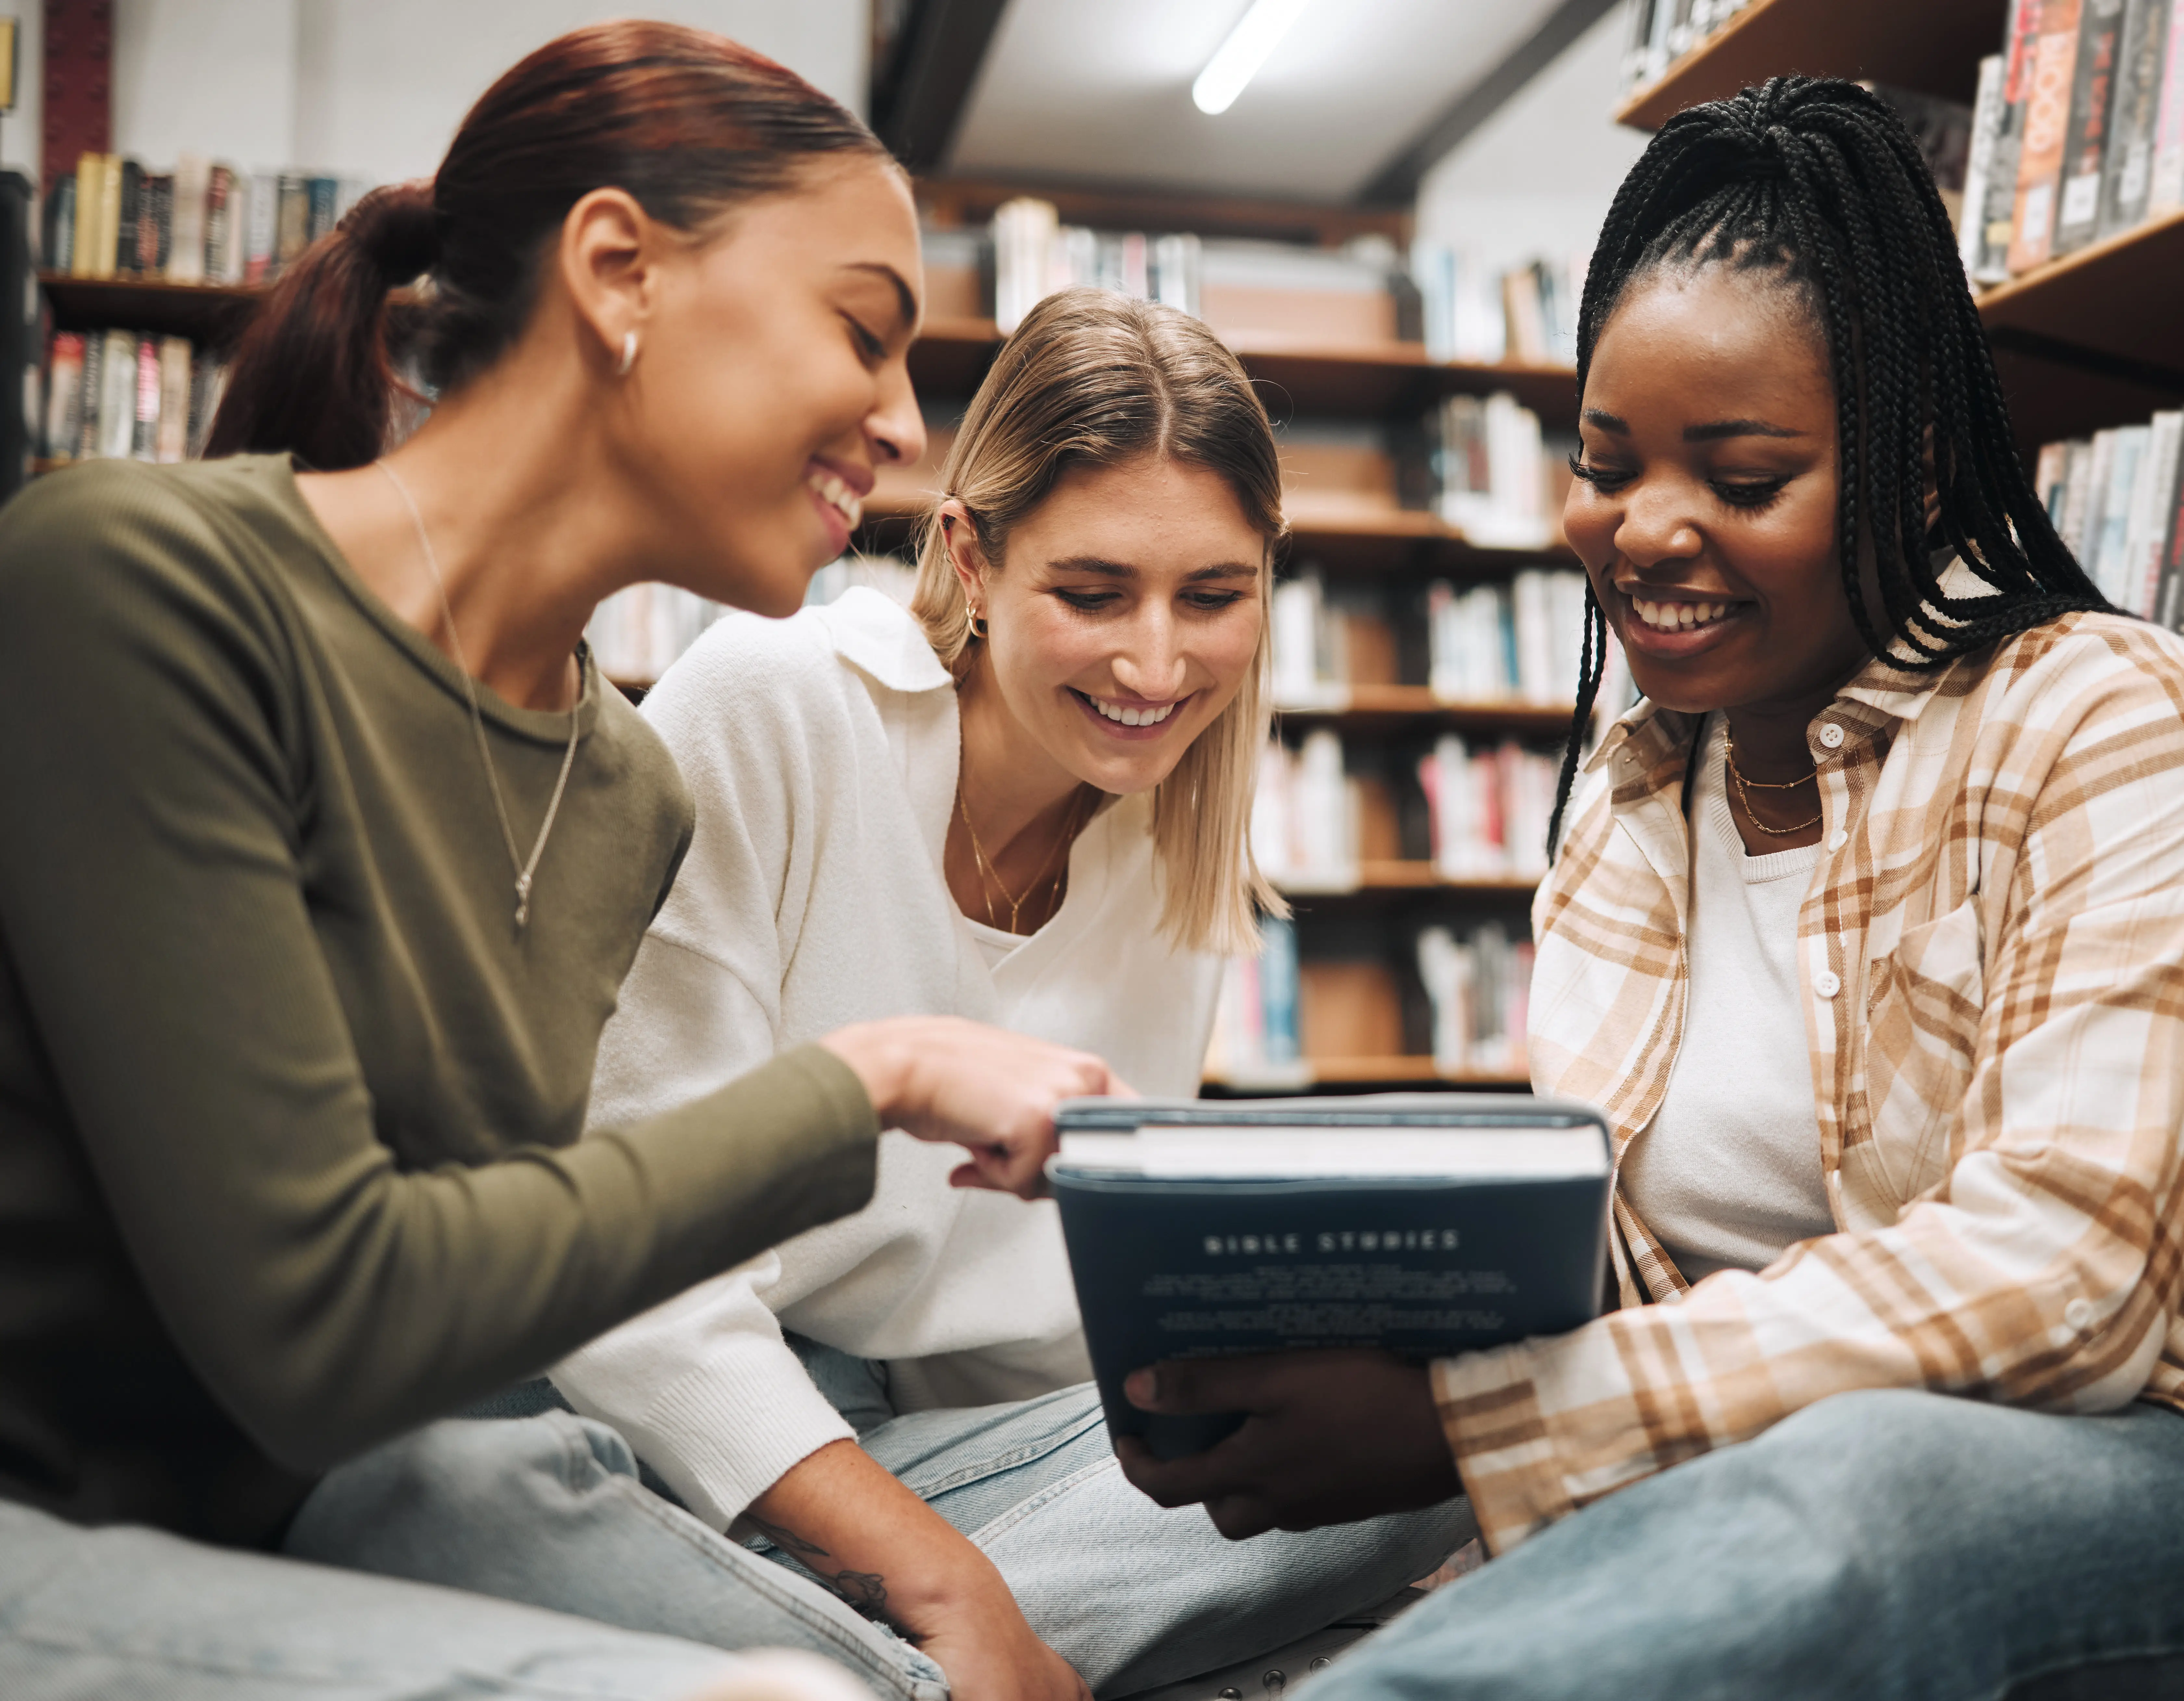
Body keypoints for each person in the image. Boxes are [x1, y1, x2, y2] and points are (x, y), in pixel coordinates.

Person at [0, 23, 1132, 1701]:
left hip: (367, 1509)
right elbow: (325, 1334)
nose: (904, 424)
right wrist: (868, 1082)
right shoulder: (137, 585)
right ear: (620, 271)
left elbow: (487, 1297)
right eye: (863, 332)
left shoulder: (620, 789)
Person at [1105, 77, 2184, 1700]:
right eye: (1606, 464)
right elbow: (1606, 1264)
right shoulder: (1629, 783)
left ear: (1913, 464)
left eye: (1743, 480)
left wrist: (1482, 1424)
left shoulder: (2098, 716)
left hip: (2081, 1466)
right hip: (1730, 1454)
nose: (1645, 533)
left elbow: (2065, 1283)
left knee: (1862, 1483)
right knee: (1261, 1447)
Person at [285, 288, 1475, 1701]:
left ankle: (870, 1672)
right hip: (619, 1403)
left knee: (1450, 1424)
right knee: (429, 1495)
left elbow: (1031, 1353)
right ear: (969, 555)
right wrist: (945, 1579)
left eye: (1212, 597)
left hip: (912, 1459)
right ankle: (974, 1666)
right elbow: (625, 1288)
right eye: (1092, 594)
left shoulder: (1177, 850)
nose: (1157, 665)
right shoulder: (781, 707)